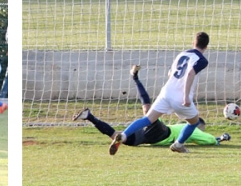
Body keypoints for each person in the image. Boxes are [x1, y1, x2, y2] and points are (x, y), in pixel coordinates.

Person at [75, 65, 227, 147]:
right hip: (161, 135)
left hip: (153, 132)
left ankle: (90, 116)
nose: (201, 131)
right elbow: (208, 139)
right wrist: (219, 139)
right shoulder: (192, 128)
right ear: (199, 125)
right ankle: (96, 120)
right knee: (144, 117)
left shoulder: (180, 126)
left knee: (122, 133)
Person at [111, 32, 209, 155]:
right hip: (180, 96)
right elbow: (190, 73)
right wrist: (185, 97)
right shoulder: (202, 60)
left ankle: (124, 135)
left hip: (166, 92)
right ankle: (178, 144)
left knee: (147, 119)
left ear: (193, 43)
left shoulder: (182, 54)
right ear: (206, 46)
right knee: (194, 122)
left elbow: (170, 73)